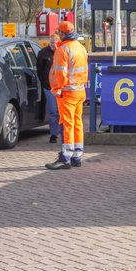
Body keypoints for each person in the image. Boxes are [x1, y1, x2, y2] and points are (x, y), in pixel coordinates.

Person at [46, 20, 89, 170]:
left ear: (63, 34)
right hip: (79, 91)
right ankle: (77, 155)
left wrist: (57, 89)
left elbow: (60, 73)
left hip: (67, 93)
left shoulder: (63, 49)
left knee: (66, 124)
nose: (58, 35)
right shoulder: (80, 48)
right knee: (77, 123)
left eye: (59, 32)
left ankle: (65, 157)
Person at [35, 31, 62, 143]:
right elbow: (39, 70)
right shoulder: (43, 53)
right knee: (53, 111)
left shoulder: (62, 52)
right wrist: (45, 83)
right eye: (51, 43)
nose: (53, 45)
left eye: (54, 43)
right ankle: (54, 135)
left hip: (61, 87)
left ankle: (63, 133)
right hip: (49, 87)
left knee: (61, 112)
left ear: (58, 43)